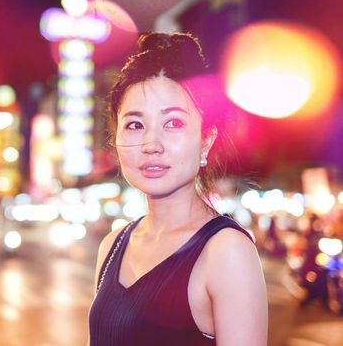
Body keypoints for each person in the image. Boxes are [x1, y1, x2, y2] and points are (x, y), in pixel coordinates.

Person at [88, 32, 268, 346]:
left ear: (206, 141)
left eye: (173, 123)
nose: (151, 144)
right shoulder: (112, 245)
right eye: (134, 124)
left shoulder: (225, 251)